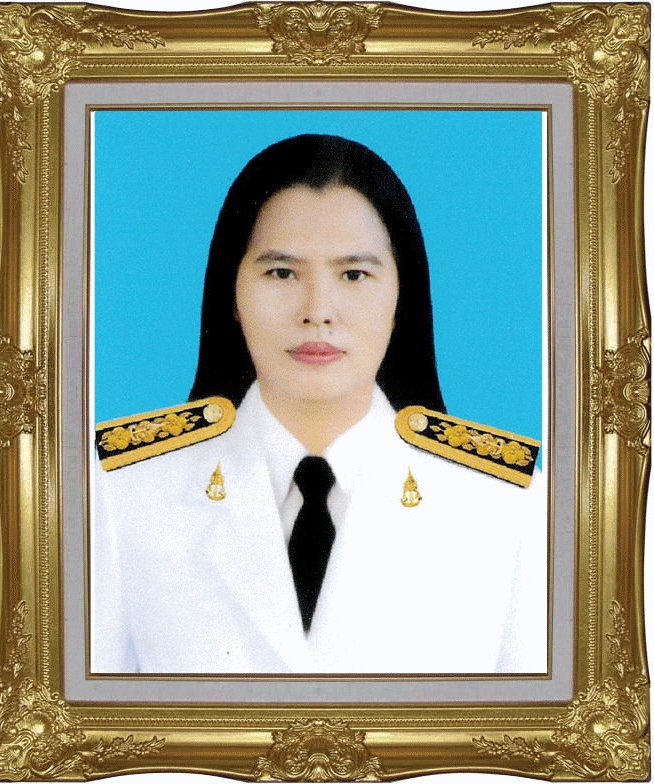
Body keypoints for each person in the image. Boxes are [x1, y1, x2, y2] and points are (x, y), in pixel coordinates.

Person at [93, 134, 547, 675]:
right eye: (281, 273)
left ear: (402, 296)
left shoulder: (504, 502)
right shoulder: (122, 491)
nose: (318, 311)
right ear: (231, 293)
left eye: (354, 275)